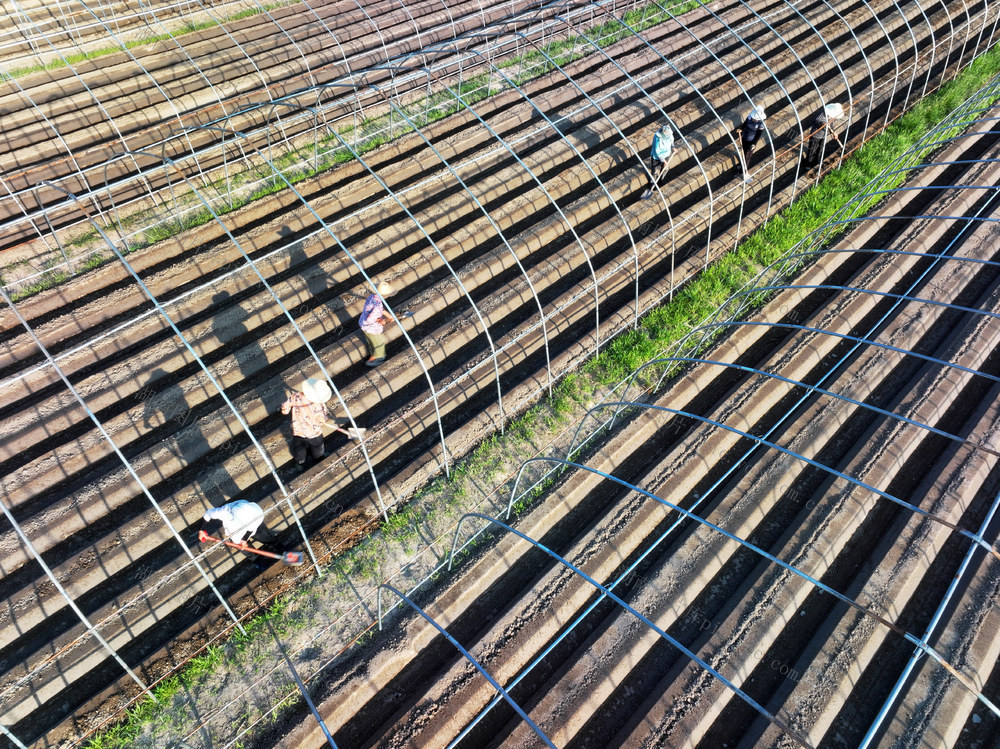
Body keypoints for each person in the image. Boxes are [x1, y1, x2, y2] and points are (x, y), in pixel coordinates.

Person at [281, 377, 331, 472]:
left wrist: (285, 410)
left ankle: (300, 463)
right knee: (318, 447)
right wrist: (323, 420)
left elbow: (285, 407)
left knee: (299, 449)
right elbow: (322, 419)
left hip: (298, 431)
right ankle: (318, 458)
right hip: (314, 433)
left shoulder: (296, 396)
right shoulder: (320, 405)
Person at [201, 500, 277, 546]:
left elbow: (250, 530)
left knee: (261, 535)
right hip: (236, 510)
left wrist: (244, 540)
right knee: (242, 547)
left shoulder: (255, 516)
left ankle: (276, 546)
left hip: (252, 517)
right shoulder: (224, 512)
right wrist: (201, 530)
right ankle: (257, 560)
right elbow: (208, 514)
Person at [358, 281, 396, 367]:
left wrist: (389, 315)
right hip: (371, 327)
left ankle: (372, 354)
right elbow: (370, 319)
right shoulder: (378, 305)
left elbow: (380, 310)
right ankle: (375, 360)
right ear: (385, 295)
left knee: (372, 342)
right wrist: (381, 320)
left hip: (363, 325)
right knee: (379, 343)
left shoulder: (373, 297)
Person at [804, 102, 844, 170]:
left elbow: (830, 126)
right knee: (812, 149)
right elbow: (817, 120)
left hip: (823, 136)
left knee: (820, 148)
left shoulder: (831, 117)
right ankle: (808, 164)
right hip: (816, 135)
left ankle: (817, 161)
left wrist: (834, 132)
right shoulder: (822, 114)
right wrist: (823, 124)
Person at [642, 123, 674, 199]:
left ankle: (660, 181)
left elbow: (671, 140)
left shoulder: (669, 133)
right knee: (655, 171)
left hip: (667, 154)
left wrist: (673, 147)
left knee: (665, 169)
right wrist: (663, 161)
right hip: (657, 157)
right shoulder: (657, 137)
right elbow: (657, 151)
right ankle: (651, 185)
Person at [735, 105, 767, 181]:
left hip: (752, 141)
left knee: (747, 157)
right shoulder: (749, 117)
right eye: (754, 118)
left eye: (756, 119)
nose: (754, 119)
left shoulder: (761, 123)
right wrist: (741, 129)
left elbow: (758, 134)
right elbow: (745, 125)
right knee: (744, 152)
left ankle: (742, 172)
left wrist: (754, 144)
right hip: (744, 138)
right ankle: (741, 165)